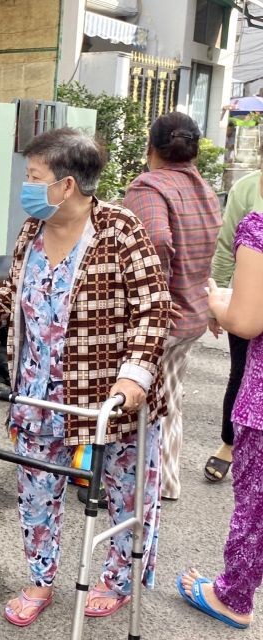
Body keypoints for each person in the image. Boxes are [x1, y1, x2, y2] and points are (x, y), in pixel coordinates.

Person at [0, 128, 171, 626]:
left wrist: (134, 378)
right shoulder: (33, 228)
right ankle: (40, 578)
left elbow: (153, 311)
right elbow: (11, 297)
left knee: (123, 492)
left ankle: (118, 579)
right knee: (36, 491)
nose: (26, 187)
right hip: (37, 393)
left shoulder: (120, 229)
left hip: (108, 400)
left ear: (67, 185)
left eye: (33, 177)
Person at [122, 112, 221, 501]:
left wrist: (152, 296)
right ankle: (165, 480)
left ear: (151, 148)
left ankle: (140, 484)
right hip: (191, 311)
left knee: (137, 398)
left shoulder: (148, 188)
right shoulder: (204, 190)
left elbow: (157, 241)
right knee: (170, 399)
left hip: (160, 318)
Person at [176, 210, 263, 630]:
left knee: (255, 510)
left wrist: (217, 304)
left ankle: (232, 597)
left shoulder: (260, 227)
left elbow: (247, 321)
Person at [203, 167, 262, 482]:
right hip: (248, 300)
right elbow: (226, 249)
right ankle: (229, 442)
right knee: (242, 374)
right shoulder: (248, 187)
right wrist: (218, 303)